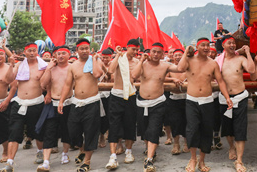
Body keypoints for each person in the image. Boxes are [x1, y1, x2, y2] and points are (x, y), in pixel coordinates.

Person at [178, 37, 233, 172]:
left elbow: (220, 81)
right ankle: (193, 159)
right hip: (192, 100)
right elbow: (180, 68)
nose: (206, 48)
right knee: (192, 129)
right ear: (197, 47)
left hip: (207, 101)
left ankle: (202, 161)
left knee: (206, 130)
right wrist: (186, 51)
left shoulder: (213, 63)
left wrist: (227, 97)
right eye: (202, 45)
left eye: (208, 45)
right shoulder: (189, 60)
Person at [131, 42, 184, 172]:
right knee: (144, 130)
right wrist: (141, 60)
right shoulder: (143, 64)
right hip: (142, 102)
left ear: (162, 54)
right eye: (153, 51)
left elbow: (180, 68)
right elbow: (134, 76)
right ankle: (150, 150)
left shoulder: (165, 65)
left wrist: (187, 53)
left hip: (158, 102)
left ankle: (149, 159)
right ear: (150, 52)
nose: (155, 54)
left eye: (158, 52)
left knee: (154, 130)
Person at [58, 38, 104, 172]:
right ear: (77, 50)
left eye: (86, 48)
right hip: (77, 102)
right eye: (82, 49)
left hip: (92, 102)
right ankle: (82, 149)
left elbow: (97, 74)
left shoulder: (95, 61)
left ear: (90, 49)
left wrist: (94, 59)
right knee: (73, 131)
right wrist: (61, 101)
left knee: (90, 132)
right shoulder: (73, 66)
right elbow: (68, 85)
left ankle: (87, 162)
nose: (84, 51)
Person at [2, 42, 48, 172]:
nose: (32, 53)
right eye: (29, 51)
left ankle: (40, 151)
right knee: (14, 132)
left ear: (37, 52)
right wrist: (11, 65)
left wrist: (49, 94)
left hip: (36, 103)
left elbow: (48, 83)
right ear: (25, 52)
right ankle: (10, 162)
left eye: (34, 50)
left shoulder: (43, 66)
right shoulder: (19, 65)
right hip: (20, 103)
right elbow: (8, 80)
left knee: (37, 131)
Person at [218, 35, 255, 171]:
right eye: (229, 43)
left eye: (234, 43)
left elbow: (251, 70)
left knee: (240, 128)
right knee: (227, 128)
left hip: (240, 97)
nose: (232, 45)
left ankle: (239, 160)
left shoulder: (241, 59)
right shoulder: (219, 61)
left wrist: (248, 53)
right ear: (223, 45)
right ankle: (231, 147)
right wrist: (227, 97)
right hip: (224, 98)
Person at [38, 46, 74, 171]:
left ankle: (65, 153)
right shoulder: (51, 68)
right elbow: (43, 84)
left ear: (69, 55)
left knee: (66, 130)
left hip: (68, 103)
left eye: (64, 53)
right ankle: (46, 161)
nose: (61, 56)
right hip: (53, 103)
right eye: (59, 54)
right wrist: (48, 68)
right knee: (49, 131)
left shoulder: (72, 68)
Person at [105, 39, 140, 169]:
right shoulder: (120, 58)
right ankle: (112, 156)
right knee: (114, 125)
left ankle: (129, 152)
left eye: (137, 50)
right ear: (127, 48)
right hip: (117, 95)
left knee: (130, 124)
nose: (135, 52)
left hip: (130, 95)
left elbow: (136, 77)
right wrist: (117, 55)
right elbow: (110, 71)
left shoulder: (137, 62)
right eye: (133, 49)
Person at [166, 49, 189, 155]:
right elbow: (163, 78)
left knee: (187, 121)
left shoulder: (188, 67)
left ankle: (186, 143)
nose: (178, 57)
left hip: (187, 98)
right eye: (176, 55)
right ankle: (176, 144)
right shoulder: (170, 68)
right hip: (174, 98)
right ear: (172, 57)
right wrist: (173, 80)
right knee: (174, 122)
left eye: (180, 55)